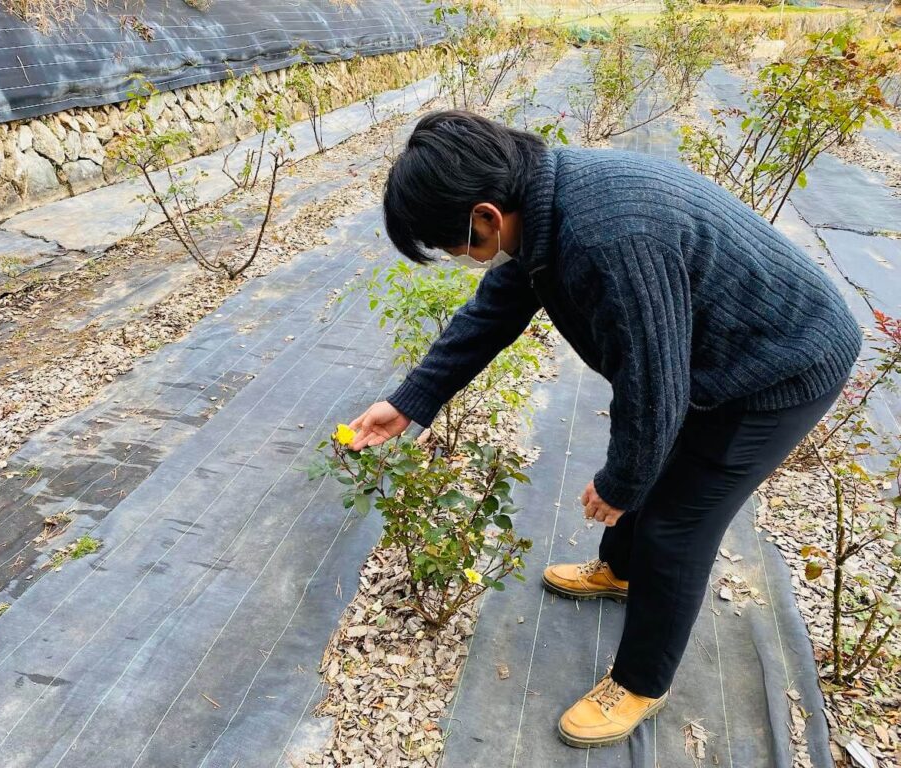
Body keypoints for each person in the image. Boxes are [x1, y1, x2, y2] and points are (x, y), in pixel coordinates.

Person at [346, 110, 862, 749]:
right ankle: (620, 571)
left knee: (678, 522)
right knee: (652, 467)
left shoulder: (605, 235)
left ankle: (643, 681)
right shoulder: (546, 202)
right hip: (722, 354)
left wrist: (621, 483)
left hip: (783, 364)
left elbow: (654, 387)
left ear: (483, 215)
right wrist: (411, 401)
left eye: (452, 246)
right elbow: (494, 311)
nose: (458, 258)